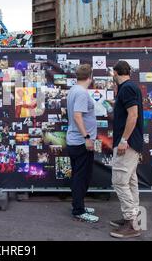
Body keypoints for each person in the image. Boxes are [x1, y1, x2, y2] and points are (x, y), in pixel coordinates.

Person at [109, 61, 144, 239]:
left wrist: (123, 140)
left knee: (119, 181)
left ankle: (131, 223)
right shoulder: (129, 88)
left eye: (112, 74)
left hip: (127, 144)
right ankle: (132, 217)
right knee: (130, 181)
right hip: (132, 143)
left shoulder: (127, 88)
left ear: (115, 72)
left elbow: (133, 115)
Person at [66, 64, 99, 223]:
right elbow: (78, 116)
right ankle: (78, 211)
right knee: (82, 177)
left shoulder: (74, 89)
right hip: (80, 142)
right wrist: (87, 138)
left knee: (79, 176)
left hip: (75, 141)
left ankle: (79, 205)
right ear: (90, 77)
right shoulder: (81, 93)